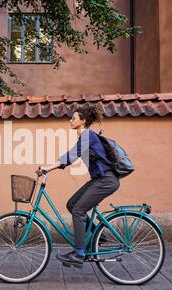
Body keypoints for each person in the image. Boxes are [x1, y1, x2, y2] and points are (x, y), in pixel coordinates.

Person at [40, 105, 120, 268]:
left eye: (74, 118)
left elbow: (72, 155)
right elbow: (74, 154)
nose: (71, 120)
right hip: (99, 179)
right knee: (72, 204)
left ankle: (78, 253)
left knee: (78, 210)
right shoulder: (84, 137)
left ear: (83, 121)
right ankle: (99, 234)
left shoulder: (87, 136)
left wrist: (49, 167)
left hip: (106, 181)